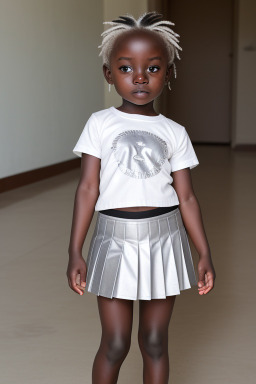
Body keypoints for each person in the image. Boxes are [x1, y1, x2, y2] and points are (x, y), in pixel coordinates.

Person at [66, 12, 216, 384]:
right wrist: (75, 250)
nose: (139, 77)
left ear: (168, 73)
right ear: (108, 74)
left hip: (164, 239)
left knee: (154, 342)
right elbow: (87, 188)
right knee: (115, 343)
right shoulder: (99, 124)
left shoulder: (174, 131)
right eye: (125, 68)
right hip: (113, 238)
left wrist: (204, 252)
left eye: (152, 68)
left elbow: (187, 197)